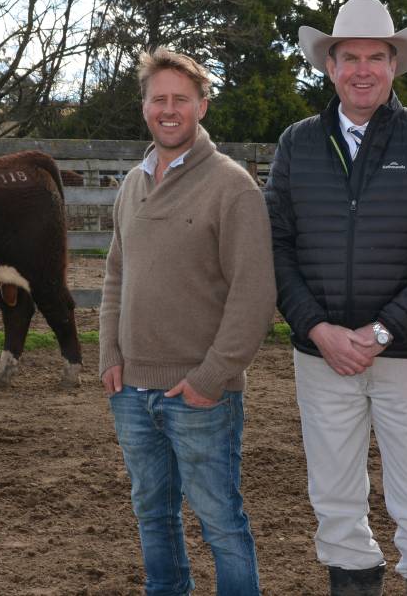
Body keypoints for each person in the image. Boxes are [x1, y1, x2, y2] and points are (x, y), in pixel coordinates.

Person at [264, 0, 407, 596]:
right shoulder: (297, 144)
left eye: (375, 57)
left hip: (405, 355)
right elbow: (275, 246)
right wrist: (317, 328)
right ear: (329, 65)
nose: (362, 69)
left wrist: (385, 330)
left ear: (393, 64)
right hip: (321, 354)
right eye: (349, 56)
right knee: (334, 500)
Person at [99, 47, 276, 596]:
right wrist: (109, 354)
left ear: (202, 106)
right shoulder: (132, 184)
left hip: (199, 392)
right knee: (152, 515)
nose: (168, 109)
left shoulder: (232, 187)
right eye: (158, 99)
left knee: (220, 522)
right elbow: (114, 276)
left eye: (181, 99)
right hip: (131, 390)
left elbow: (255, 293)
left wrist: (209, 378)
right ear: (145, 107)